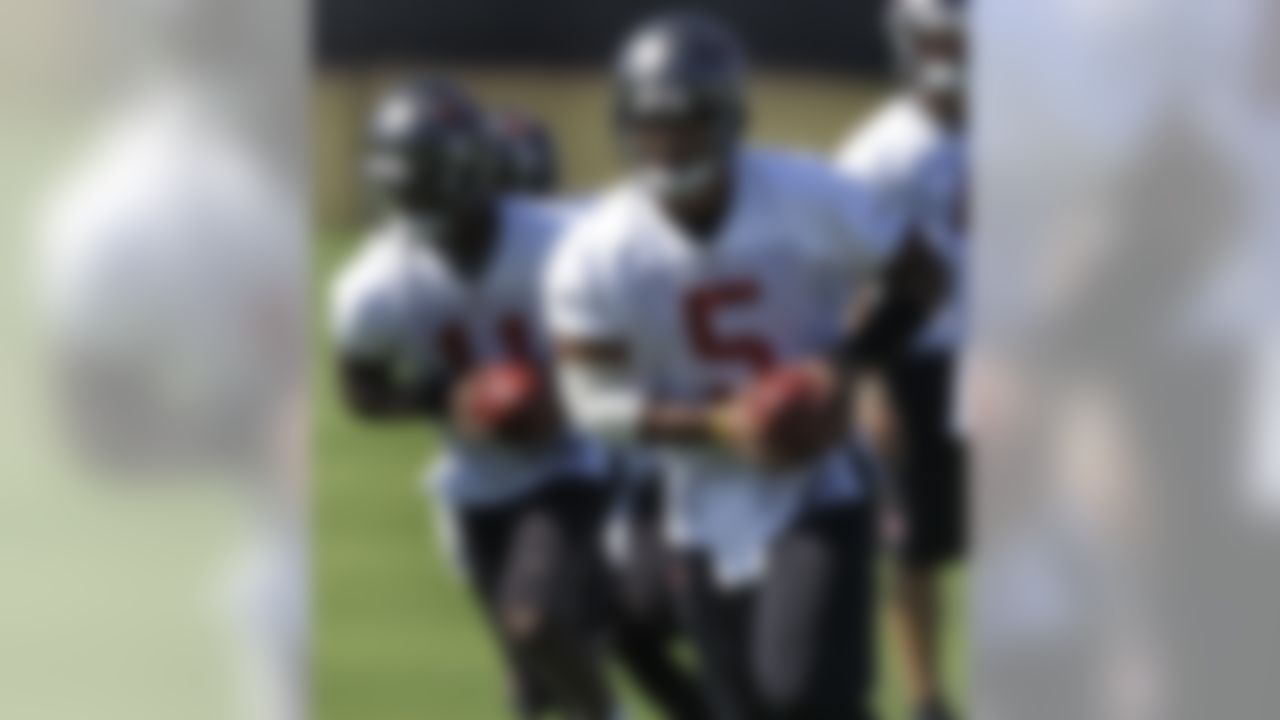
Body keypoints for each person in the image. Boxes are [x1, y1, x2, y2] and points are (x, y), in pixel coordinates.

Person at [547, 11, 943, 719]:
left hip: (818, 484)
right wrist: (717, 425)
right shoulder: (598, 249)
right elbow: (589, 402)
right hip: (698, 499)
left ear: (725, 119)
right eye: (648, 125)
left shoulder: (808, 194)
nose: (665, 144)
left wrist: (845, 365)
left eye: (685, 123)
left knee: (801, 697)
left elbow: (923, 276)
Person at [331, 78, 618, 720]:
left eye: (418, 181)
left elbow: (641, 334)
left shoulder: (563, 240)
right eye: (396, 183)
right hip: (477, 484)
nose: (403, 199)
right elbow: (360, 390)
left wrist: (567, 398)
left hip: (577, 462)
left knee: (535, 623)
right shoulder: (375, 283)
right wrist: (441, 397)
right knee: (530, 675)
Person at [833, 2, 968, 718]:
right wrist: (870, 386)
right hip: (920, 360)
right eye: (940, 39)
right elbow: (851, 286)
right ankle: (929, 701)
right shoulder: (878, 154)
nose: (955, 55)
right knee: (913, 545)